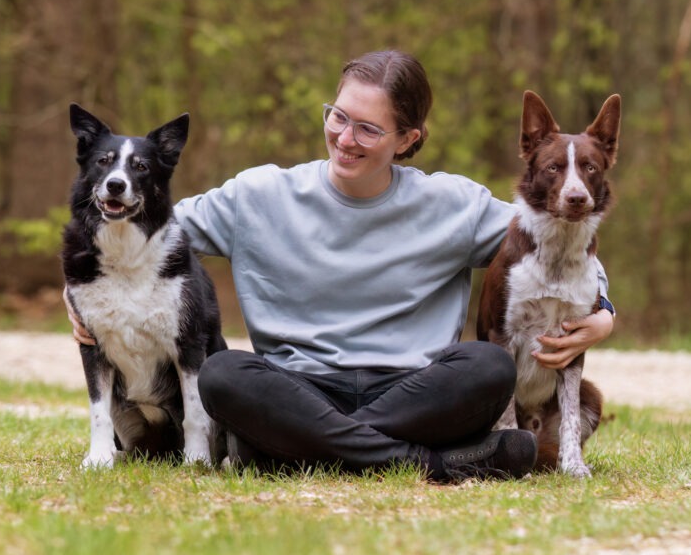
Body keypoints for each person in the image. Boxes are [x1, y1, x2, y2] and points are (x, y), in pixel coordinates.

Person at [67, 50, 614, 482]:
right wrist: (84, 293)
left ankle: (288, 452)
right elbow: (148, 227)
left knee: (487, 367)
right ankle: (437, 464)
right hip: (298, 387)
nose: (344, 138)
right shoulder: (260, 194)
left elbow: (555, 243)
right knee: (223, 374)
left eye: (368, 130)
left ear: (408, 139)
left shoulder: (456, 205)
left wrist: (603, 309)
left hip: (415, 392)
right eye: (338, 117)